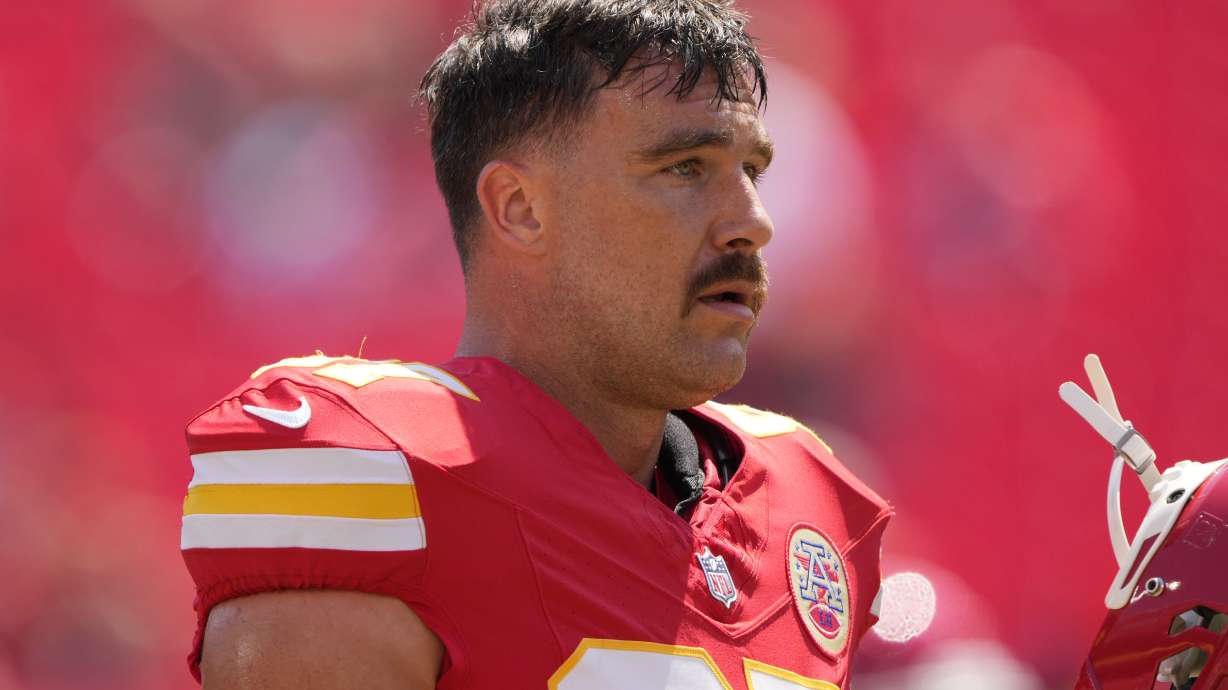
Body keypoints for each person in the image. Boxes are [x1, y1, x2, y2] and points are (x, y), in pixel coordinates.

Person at [178, 1, 892, 688]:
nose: (753, 222)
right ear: (520, 209)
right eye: (684, 169)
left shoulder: (809, 500)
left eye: (752, 173)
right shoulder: (375, 483)